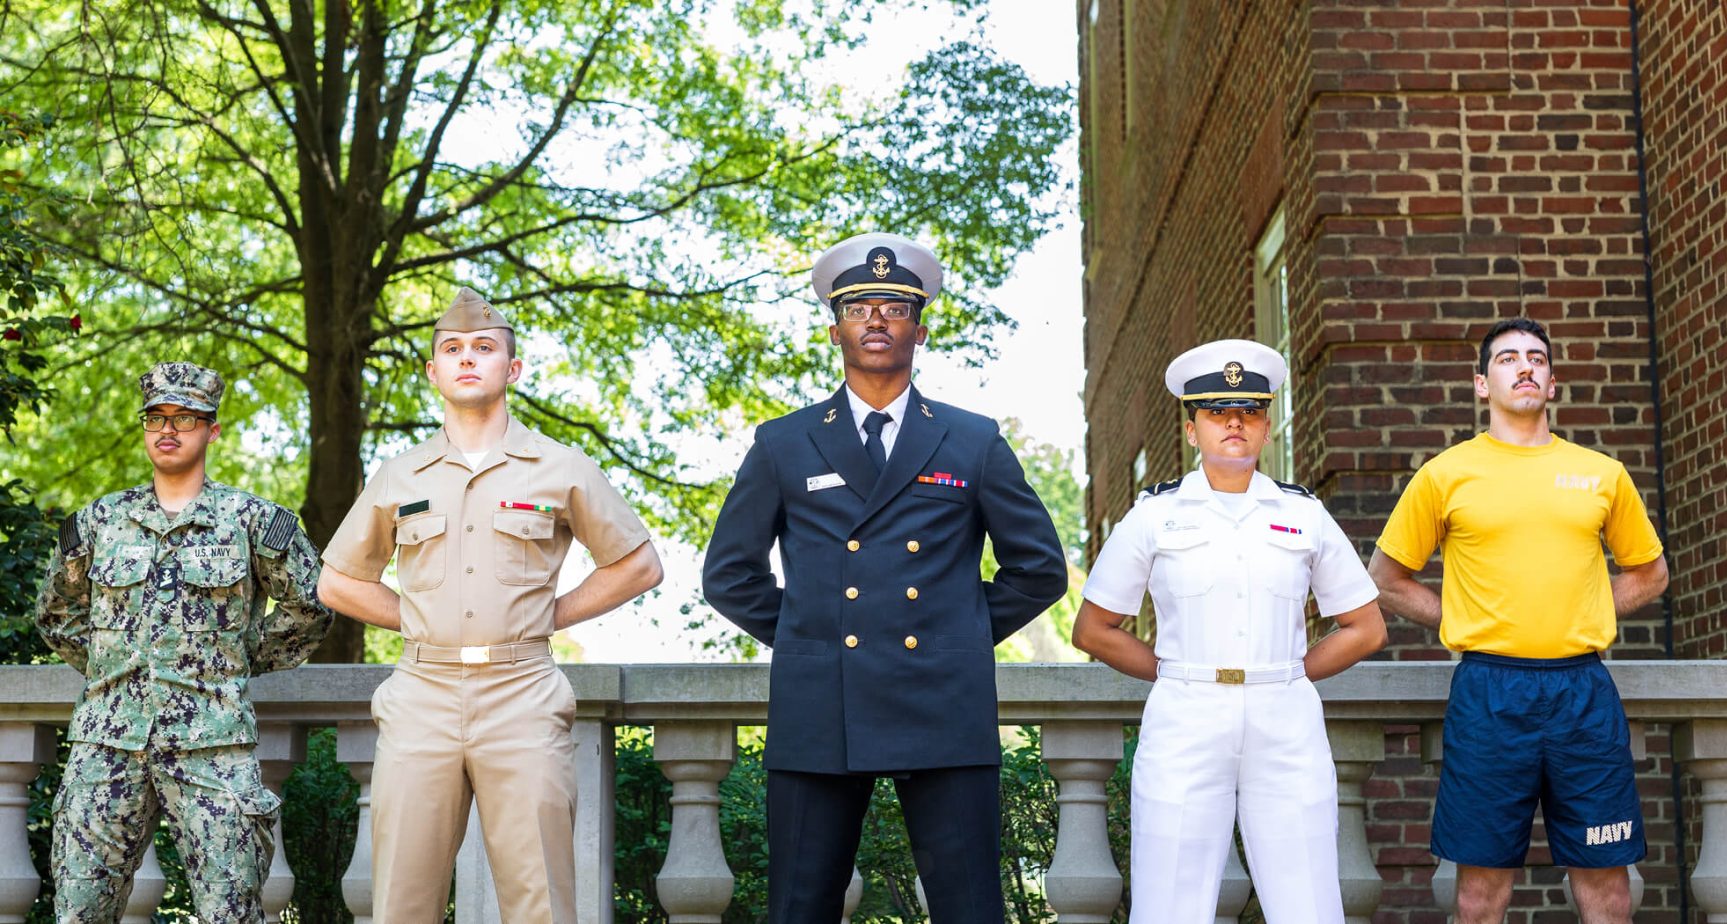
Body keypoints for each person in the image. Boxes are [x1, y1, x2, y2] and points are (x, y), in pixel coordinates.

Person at [702, 232, 1068, 923]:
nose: (876, 318)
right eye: (859, 307)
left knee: (969, 909)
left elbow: (1040, 568)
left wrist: (957, 629)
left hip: (943, 700)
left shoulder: (972, 439)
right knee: (799, 908)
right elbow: (728, 575)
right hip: (820, 706)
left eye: (894, 307)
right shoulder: (783, 442)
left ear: (919, 329)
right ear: (833, 328)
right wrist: (811, 632)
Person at [317, 288, 663, 923]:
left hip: (522, 692)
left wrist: (551, 616)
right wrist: (418, 620)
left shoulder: (561, 466)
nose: (467, 359)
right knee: (400, 901)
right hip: (422, 693)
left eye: (484, 348)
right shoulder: (401, 475)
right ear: (434, 372)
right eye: (452, 350)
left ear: (514, 368)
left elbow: (638, 564)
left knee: (542, 903)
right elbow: (338, 582)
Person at [1071, 338, 1387, 924]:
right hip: (1186, 714)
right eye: (1216, 412)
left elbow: (1365, 628)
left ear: (1267, 426)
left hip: (1284, 716)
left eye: (1248, 411)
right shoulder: (1153, 516)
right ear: (1192, 430)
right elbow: (1094, 629)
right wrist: (1173, 671)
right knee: (1169, 903)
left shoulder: (1303, 514)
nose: (1233, 422)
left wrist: (1289, 674)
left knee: (1309, 904)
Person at [1368, 317, 1669, 924]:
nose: (1525, 367)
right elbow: (1385, 578)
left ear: (1553, 383)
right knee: (1480, 895)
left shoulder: (1602, 474)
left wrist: (1579, 608)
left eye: (1536, 358)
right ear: (1482, 384)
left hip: (1582, 693)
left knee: (1608, 890)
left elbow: (1650, 574)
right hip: (1488, 693)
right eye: (1507, 359)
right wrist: (1460, 614)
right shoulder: (1446, 473)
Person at [34, 361, 333, 923]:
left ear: (212, 430)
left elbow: (311, 607)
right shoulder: (99, 522)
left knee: (231, 913)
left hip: (213, 746)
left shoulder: (253, 521)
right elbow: (56, 613)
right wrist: (111, 667)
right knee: (79, 913)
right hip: (106, 748)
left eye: (186, 417)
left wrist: (236, 659)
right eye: (156, 417)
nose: (167, 429)